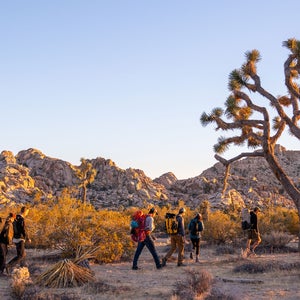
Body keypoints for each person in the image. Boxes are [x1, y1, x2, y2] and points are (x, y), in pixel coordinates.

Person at [7, 206, 31, 271]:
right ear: (25, 211)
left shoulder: (15, 217)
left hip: (15, 238)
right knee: (21, 255)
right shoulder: (21, 219)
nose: (27, 214)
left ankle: (22, 268)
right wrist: (28, 238)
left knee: (21, 254)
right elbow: (24, 230)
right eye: (27, 212)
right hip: (20, 239)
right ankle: (8, 266)